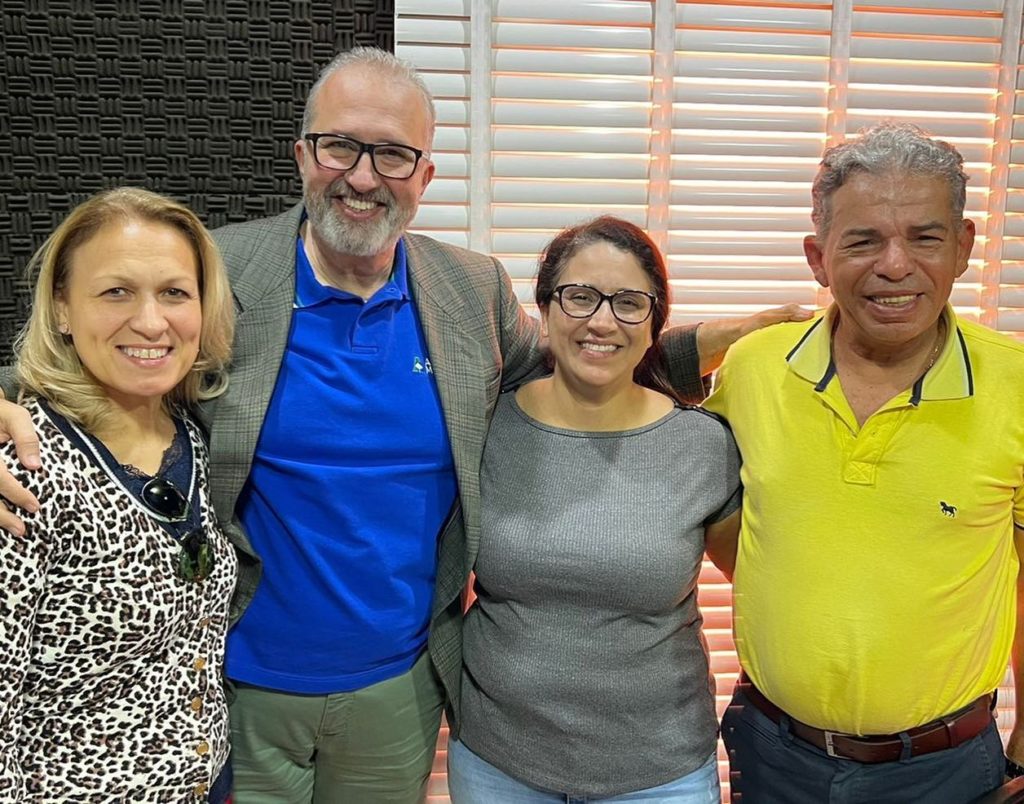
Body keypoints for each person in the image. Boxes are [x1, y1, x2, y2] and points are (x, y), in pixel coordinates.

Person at [0, 49, 806, 803]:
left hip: (401, 686)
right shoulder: (219, 271)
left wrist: (718, 342)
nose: (362, 177)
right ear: (302, 155)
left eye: (391, 155)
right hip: (236, 682)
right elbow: (106, 349)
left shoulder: (471, 291)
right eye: (339, 147)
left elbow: (580, 361)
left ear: (424, 176)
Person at [703, 122, 1024, 803]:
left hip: (946, 770)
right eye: (863, 241)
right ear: (818, 258)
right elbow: (625, 394)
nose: (895, 265)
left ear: (964, 247)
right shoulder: (753, 368)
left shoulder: (1017, 385)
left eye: (925, 237)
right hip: (773, 754)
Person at [445, 217, 741, 802]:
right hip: (498, 760)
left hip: (660, 770)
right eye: (580, 297)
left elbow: (759, 587)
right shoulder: (483, 426)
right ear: (545, 308)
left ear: (655, 322)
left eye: (629, 303)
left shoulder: (702, 444)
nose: (602, 322)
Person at [0, 187, 237, 801]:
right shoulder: (24, 466)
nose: (152, 322)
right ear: (61, 308)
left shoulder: (192, 436)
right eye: (116, 292)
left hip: (207, 781)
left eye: (175, 293)